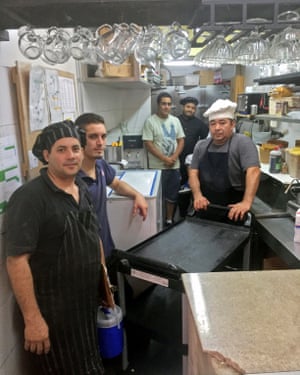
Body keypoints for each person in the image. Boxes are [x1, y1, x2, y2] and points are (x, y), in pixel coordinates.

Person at [4, 121, 105, 374]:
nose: (71, 155)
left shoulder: (80, 187)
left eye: (75, 148)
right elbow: (16, 261)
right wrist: (33, 319)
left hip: (83, 305)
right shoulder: (30, 198)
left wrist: (104, 285)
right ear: (46, 155)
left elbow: (93, 236)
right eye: (61, 150)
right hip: (51, 314)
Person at [75, 113, 148, 259]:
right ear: (79, 139)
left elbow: (116, 184)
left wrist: (137, 195)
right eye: (93, 137)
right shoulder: (73, 181)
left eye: (103, 136)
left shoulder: (100, 165)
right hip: (86, 258)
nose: (100, 142)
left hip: (107, 247)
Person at [189, 99, 261, 222]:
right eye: (213, 123)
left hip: (232, 211)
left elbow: (253, 171)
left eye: (222, 123)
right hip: (205, 207)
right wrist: (197, 195)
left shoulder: (242, 142)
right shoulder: (201, 146)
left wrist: (246, 202)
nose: (217, 128)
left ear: (232, 124)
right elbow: (193, 172)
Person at [142, 92, 185, 226]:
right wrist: (164, 158)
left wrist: (173, 157)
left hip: (174, 166)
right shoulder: (150, 121)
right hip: (157, 168)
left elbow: (181, 140)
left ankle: (168, 220)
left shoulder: (175, 121)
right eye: (163, 104)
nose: (166, 107)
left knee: (172, 196)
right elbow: (148, 143)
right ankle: (156, 221)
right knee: (158, 197)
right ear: (158, 105)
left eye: (169, 104)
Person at [178, 96, 209, 187]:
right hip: (176, 159)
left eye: (193, 108)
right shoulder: (175, 120)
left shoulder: (199, 124)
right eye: (188, 107)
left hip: (191, 161)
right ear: (183, 107)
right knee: (176, 185)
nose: (190, 110)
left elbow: (206, 140)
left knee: (191, 185)